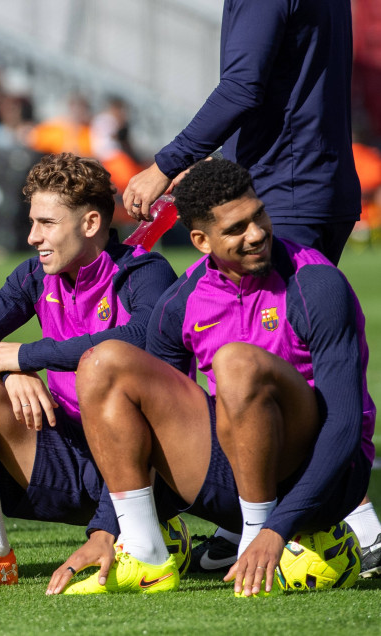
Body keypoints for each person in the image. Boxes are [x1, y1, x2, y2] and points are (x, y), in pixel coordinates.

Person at [47, 158, 375, 596]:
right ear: (201, 241)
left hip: (325, 480)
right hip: (235, 478)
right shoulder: (181, 300)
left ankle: (256, 541)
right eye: (236, 228)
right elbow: (146, 423)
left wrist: (275, 529)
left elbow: (346, 425)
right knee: (102, 363)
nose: (256, 233)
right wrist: (104, 529)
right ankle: (144, 552)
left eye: (258, 215)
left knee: (236, 362)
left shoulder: (316, 283)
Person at [0, 153, 177, 589]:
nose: (34, 236)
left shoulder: (143, 270)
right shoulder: (35, 275)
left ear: (90, 224)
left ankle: (153, 530)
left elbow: (144, 336)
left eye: (47, 223)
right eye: (33, 222)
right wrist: (8, 371)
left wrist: (31, 356)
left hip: (143, 458)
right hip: (66, 449)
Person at [122, 0, 360, 266]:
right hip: (316, 186)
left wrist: (165, 165)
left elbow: (241, 90)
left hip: (280, 193)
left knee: (240, 306)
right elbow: (293, 91)